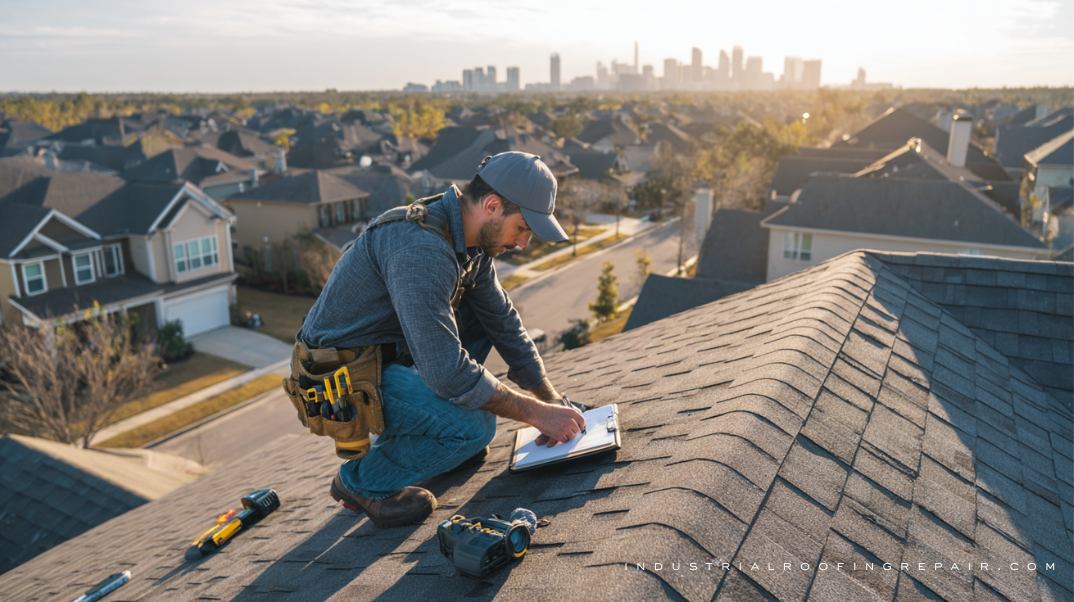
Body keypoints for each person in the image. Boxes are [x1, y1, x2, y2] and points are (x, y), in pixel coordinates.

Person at [295, 151, 586, 528]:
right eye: (523, 228)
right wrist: (534, 413)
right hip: (341, 373)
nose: (523, 244)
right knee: (473, 429)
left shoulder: (470, 244)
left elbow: (503, 322)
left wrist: (549, 398)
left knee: (483, 319)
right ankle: (359, 483)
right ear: (493, 206)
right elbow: (447, 373)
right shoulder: (421, 250)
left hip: (386, 356)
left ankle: (425, 433)